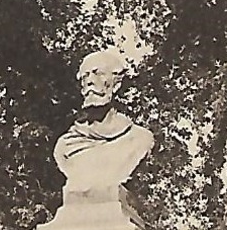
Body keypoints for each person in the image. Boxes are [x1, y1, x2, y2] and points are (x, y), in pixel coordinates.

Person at [53, 49, 154, 195]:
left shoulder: (140, 139)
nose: (90, 81)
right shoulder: (65, 146)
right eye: (85, 77)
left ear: (116, 84)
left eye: (98, 74)